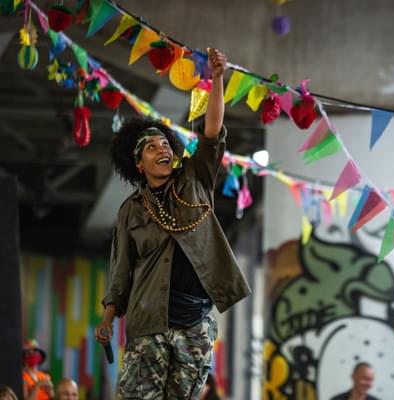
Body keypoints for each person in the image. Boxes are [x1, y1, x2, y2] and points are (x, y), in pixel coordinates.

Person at [94, 48, 251, 399]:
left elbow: (212, 131)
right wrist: (107, 319)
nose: (162, 149)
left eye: (165, 143)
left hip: (195, 324)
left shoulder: (196, 178)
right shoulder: (130, 210)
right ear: (139, 164)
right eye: (151, 147)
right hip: (147, 321)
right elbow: (121, 272)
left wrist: (218, 78)